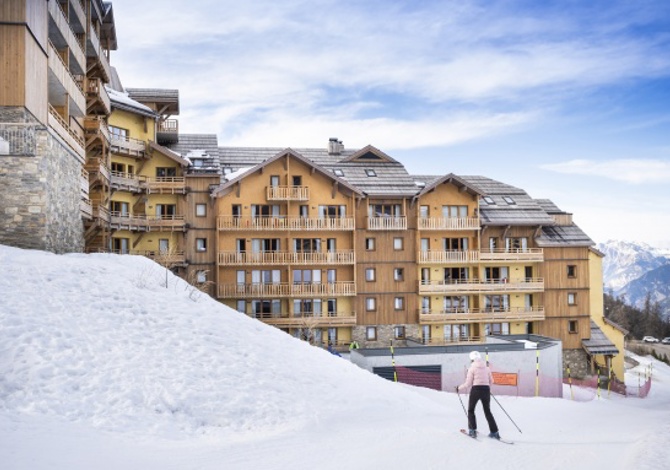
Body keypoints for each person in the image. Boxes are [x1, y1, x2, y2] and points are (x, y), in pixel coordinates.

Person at [456, 351, 500, 439]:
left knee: (471, 410)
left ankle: (472, 431)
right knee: (487, 411)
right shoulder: (487, 368)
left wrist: (458, 388)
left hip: (476, 390)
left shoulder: (471, 368)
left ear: (472, 359)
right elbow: (492, 381)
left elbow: (468, 384)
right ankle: (494, 432)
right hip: (486, 390)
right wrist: (486, 386)